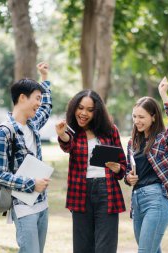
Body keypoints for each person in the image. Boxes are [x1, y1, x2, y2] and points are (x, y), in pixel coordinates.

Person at [0, 62, 52, 253]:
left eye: (40, 99)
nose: (39, 103)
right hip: (23, 208)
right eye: (36, 99)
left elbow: (46, 108)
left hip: (42, 204)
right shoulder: (4, 132)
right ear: (22, 98)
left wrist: (45, 79)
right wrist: (31, 184)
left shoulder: (32, 124)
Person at [55, 90, 126, 253]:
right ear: (74, 108)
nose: (83, 113)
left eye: (89, 110)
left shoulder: (110, 130)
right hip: (80, 192)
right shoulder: (72, 131)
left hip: (107, 192)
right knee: (82, 247)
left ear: (97, 112)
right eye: (80, 108)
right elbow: (68, 145)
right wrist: (62, 135)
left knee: (105, 247)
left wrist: (118, 168)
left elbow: (123, 165)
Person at [125, 77, 168, 253]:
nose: (137, 121)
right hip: (137, 202)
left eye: (142, 117)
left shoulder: (163, 139)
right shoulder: (131, 143)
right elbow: (129, 172)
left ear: (153, 117)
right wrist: (129, 178)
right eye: (135, 116)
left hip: (156, 200)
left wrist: (163, 94)